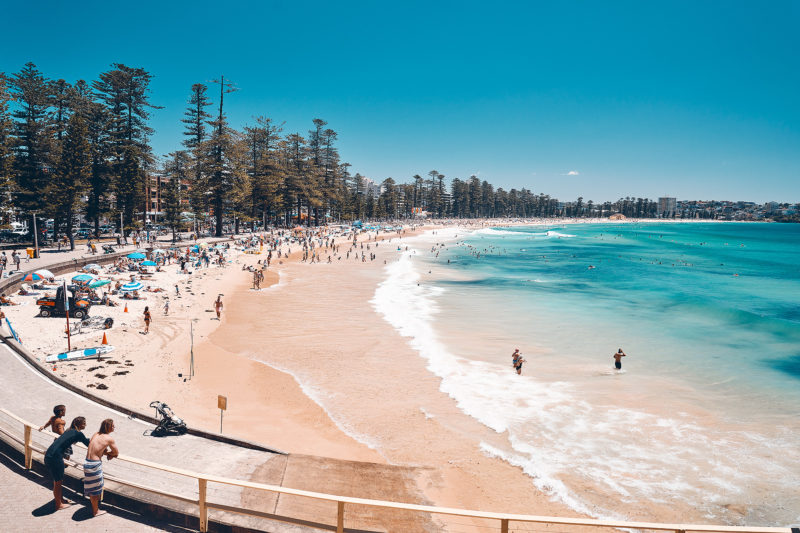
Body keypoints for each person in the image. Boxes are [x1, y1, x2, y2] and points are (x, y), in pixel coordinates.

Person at [44, 416, 89, 510]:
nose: (85, 425)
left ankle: (60, 499)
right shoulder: (78, 433)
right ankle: (58, 505)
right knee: (58, 482)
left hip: (49, 455)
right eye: (84, 423)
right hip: (55, 458)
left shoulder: (69, 430)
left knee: (57, 480)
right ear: (80, 424)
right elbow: (88, 443)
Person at [84, 419, 119, 517]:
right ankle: (96, 511)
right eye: (113, 426)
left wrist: (105, 451)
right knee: (95, 490)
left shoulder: (96, 434)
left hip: (87, 462)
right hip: (94, 464)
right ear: (108, 427)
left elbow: (97, 447)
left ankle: (95, 508)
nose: (114, 427)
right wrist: (109, 454)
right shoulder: (109, 438)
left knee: (91, 488)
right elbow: (116, 452)